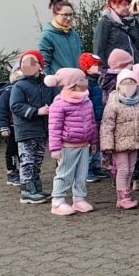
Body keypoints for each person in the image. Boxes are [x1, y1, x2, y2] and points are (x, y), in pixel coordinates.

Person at [45, 68, 98, 216]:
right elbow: (54, 127)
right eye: (82, 80)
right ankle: (57, 201)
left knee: (82, 174)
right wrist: (55, 148)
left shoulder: (87, 100)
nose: (86, 82)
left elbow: (92, 121)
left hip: (84, 145)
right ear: (72, 83)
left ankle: (79, 199)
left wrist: (93, 140)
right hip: (67, 146)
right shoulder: (59, 103)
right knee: (64, 174)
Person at [100, 68, 139, 210]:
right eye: (125, 83)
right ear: (119, 86)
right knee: (123, 169)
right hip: (119, 144)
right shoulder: (113, 104)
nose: (129, 87)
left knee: (131, 170)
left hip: (134, 143)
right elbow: (107, 126)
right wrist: (107, 146)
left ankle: (127, 193)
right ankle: (122, 197)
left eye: (132, 83)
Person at [10, 51, 55, 205]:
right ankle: (26, 191)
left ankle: (36, 187)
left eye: (32, 62)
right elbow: (16, 106)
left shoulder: (47, 85)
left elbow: (55, 99)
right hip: (26, 130)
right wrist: (37, 111)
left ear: (40, 66)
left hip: (42, 130)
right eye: (25, 63)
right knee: (27, 161)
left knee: (37, 160)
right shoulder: (19, 85)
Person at [79, 53, 108, 183]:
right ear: (87, 67)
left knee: (98, 144)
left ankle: (96, 166)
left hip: (101, 116)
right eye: (96, 65)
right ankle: (87, 170)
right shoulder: (84, 82)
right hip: (91, 118)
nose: (99, 67)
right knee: (90, 145)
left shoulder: (101, 80)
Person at [94, 0, 139, 67]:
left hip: (134, 69)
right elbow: (99, 49)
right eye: (124, 4)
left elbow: (137, 47)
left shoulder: (131, 22)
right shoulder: (105, 22)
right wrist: (101, 70)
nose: (127, 7)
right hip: (114, 70)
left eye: (128, 4)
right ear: (113, 5)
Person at [38, 0, 83, 75]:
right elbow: (44, 63)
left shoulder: (74, 35)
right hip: (58, 80)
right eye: (65, 15)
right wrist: (49, 80)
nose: (69, 18)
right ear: (55, 15)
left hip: (77, 79)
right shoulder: (47, 36)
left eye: (71, 14)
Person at [0, 67, 23, 187]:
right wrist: (4, 126)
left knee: (23, 151)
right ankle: (12, 173)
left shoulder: (26, 89)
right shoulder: (8, 91)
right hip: (11, 127)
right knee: (12, 151)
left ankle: (24, 172)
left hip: (23, 127)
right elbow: (2, 109)